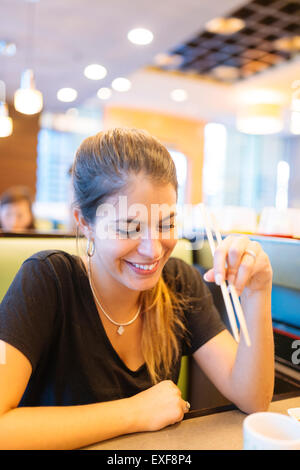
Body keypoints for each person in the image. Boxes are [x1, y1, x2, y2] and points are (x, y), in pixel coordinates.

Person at [0, 128, 274, 450]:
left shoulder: (178, 283)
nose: (154, 249)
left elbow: (253, 397)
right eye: (129, 227)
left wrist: (258, 289)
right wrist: (133, 412)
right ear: (84, 223)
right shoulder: (47, 281)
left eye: (166, 223)